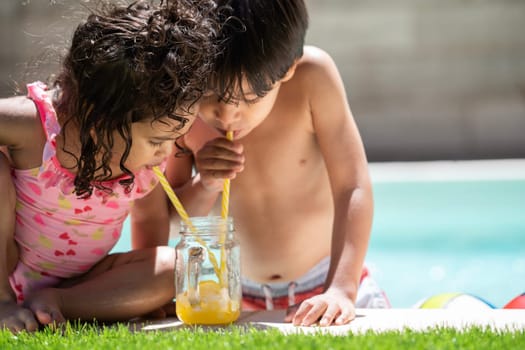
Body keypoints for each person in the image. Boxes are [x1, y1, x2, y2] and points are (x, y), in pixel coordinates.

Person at [0, 0, 223, 333]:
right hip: (9, 262)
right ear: (104, 119)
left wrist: (142, 294)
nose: (167, 152)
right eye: (159, 140)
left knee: (176, 266)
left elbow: (149, 226)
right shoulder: (36, 128)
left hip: (84, 282)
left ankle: (56, 303)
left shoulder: (143, 168)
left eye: (177, 138)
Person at [165, 0, 390, 327]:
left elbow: (352, 186)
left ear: (287, 69)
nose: (227, 114)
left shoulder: (312, 79)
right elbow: (173, 221)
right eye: (210, 93)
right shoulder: (182, 108)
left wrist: (341, 288)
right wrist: (207, 184)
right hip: (232, 292)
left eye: (251, 98)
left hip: (328, 282)